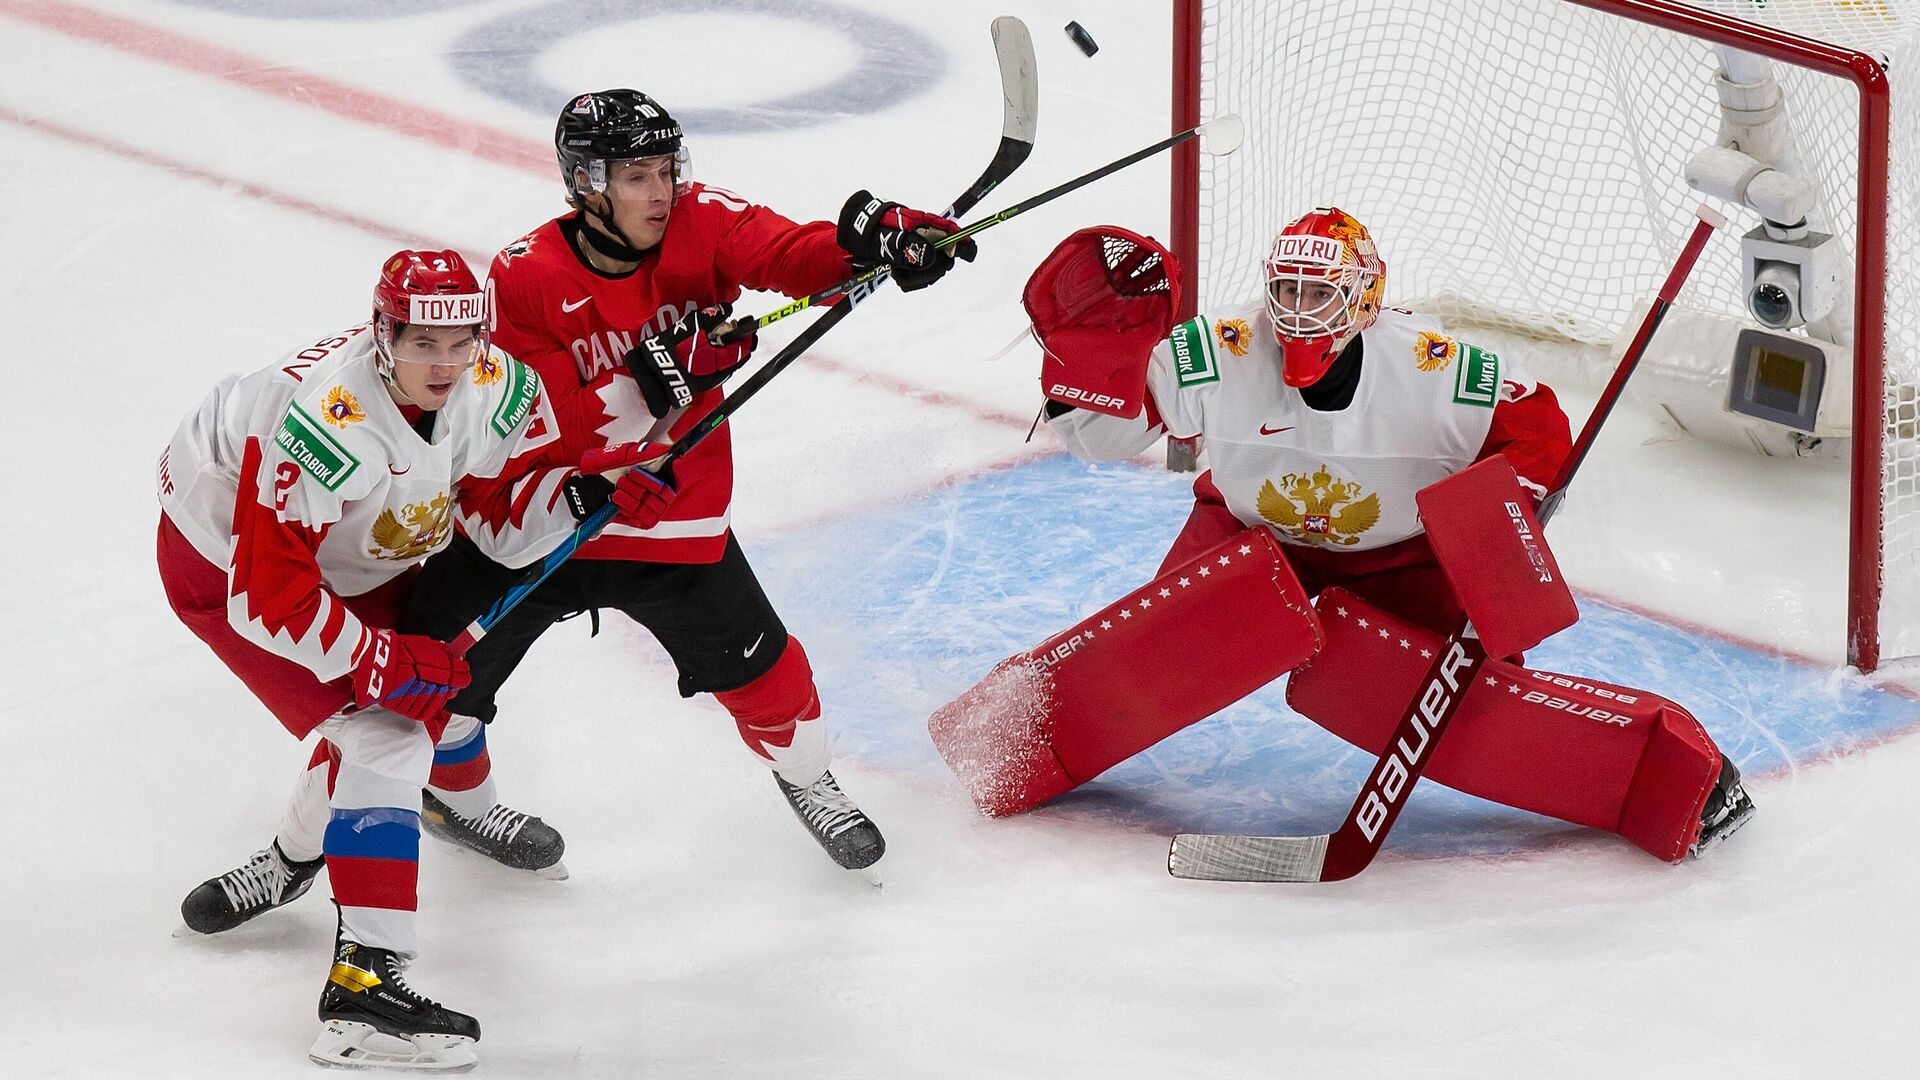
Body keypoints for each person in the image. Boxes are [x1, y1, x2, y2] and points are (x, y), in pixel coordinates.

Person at [933, 211, 1754, 862]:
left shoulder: (1434, 369)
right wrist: (1090, 369)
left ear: (1365, 299)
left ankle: (1673, 780)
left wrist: (1507, 516)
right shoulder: (1215, 351)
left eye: (1318, 293)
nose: (1296, 311)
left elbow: (1537, 426)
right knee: (1166, 645)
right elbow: (1101, 442)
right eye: (1283, 290)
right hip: (1248, 537)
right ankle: (1003, 745)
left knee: (1455, 717)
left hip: (1402, 561)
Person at [399, 89, 974, 873]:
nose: (661, 191)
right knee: (432, 674)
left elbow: (787, 254)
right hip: (547, 519)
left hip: (672, 520)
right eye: (637, 175)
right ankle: (459, 803)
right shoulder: (524, 276)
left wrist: (868, 247)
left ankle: (808, 779)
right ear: (587, 183)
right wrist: (650, 379)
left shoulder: (702, 220)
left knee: (775, 686)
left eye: (667, 169)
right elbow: (520, 426)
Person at [157, 249, 637, 1068]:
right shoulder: (326, 422)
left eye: (461, 343)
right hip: (223, 561)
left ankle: (291, 861)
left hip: (347, 548)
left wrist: (582, 497)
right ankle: (361, 996)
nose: (445, 365)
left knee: (397, 719)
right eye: (422, 344)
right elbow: (266, 598)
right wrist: (373, 655)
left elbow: (491, 506)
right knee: (389, 735)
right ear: (384, 335)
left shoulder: (491, 380)